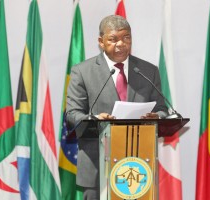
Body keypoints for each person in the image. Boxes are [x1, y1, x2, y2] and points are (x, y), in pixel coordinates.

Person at [66, 15, 169, 200]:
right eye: (113, 39)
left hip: (138, 166)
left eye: (126, 38)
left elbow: (163, 109)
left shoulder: (148, 70)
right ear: (101, 41)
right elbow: (73, 114)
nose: (121, 44)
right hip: (97, 165)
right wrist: (96, 119)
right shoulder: (82, 71)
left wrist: (156, 116)